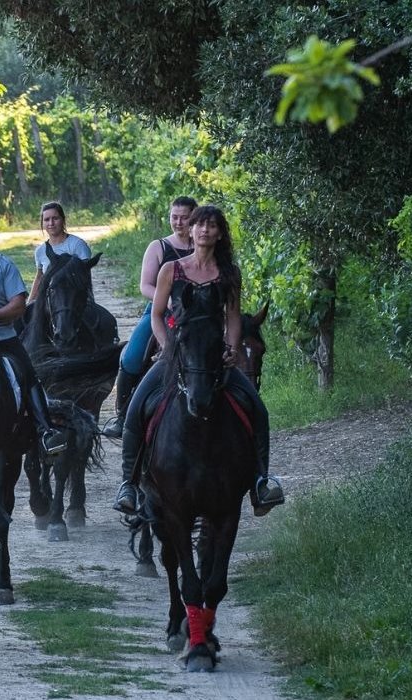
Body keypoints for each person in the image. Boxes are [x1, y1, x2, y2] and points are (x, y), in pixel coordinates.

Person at [111, 205, 285, 517]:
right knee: (137, 407)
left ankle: (262, 481)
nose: (205, 230)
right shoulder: (172, 270)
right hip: (177, 352)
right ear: (190, 231)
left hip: (213, 357)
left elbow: (233, 318)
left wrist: (231, 349)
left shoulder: (229, 273)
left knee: (257, 408)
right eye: (199, 225)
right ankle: (129, 483)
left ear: (219, 233)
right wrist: (168, 348)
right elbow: (157, 315)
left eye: (212, 225)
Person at [0, 209, 67, 456]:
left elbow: (18, 306)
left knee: (27, 374)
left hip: (0, 338)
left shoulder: (4, 266)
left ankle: (46, 431)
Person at [104, 196, 197, 439]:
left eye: (184, 217)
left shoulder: (203, 246)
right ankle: (123, 415)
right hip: (159, 310)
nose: (178, 222)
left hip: (197, 315)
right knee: (132, 357)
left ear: (194, 218)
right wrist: (165, 300)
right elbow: (145, 285)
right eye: (174, 217)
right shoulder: (159, 247)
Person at [29, 201, 93, 302]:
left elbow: (85, 277)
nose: (51, 223)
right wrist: (29, 302)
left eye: (55, 218)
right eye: (46, 219)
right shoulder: (40, 251)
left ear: (63, 220)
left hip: (77, 301)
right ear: (42, 223)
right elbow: (40, 277)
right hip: (50, 302)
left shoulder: (77, 245)